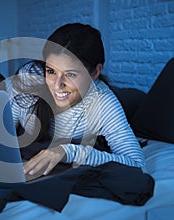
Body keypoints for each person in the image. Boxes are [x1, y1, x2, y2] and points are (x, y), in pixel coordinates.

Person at [8, 23, 145, 177]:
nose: (58, 85)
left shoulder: (103, 102)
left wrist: (70, 151)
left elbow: (136, 163)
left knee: (135, 101)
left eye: (71, 74)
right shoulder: (27, 81)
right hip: (12, 89)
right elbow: (3, 136)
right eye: (51, 71)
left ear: (95, 72)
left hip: (105, 98)